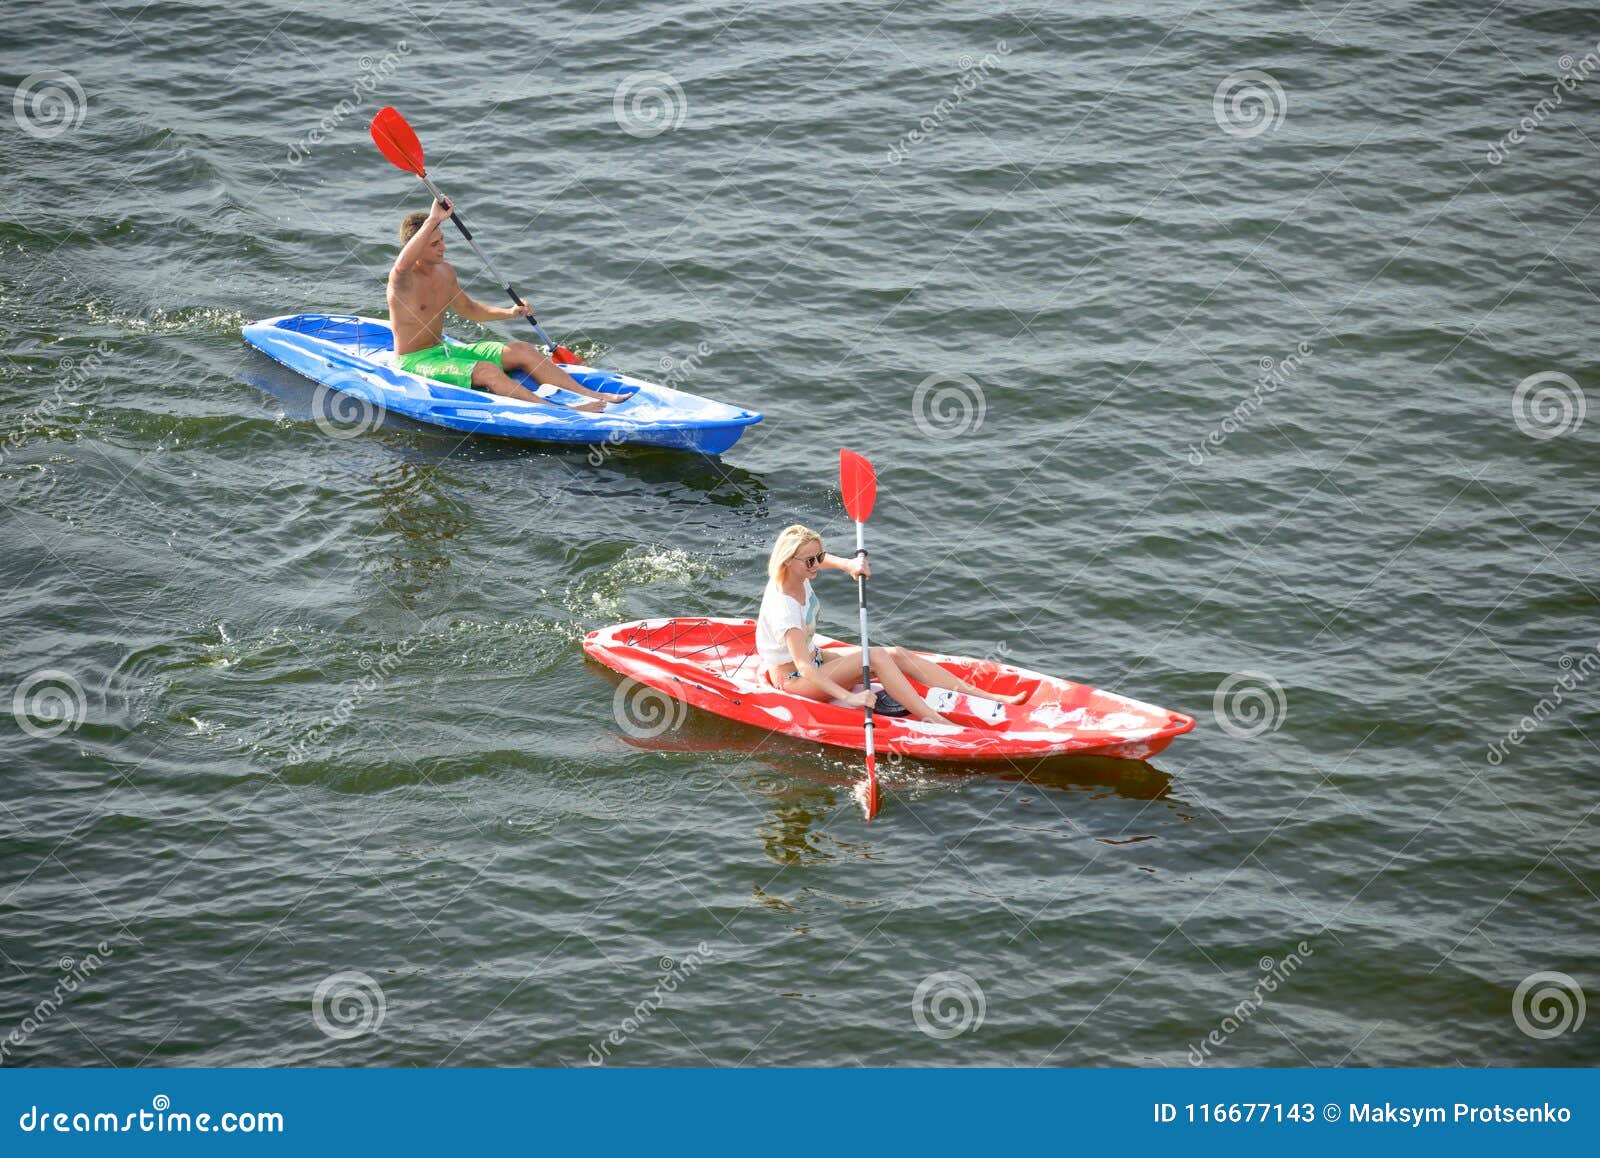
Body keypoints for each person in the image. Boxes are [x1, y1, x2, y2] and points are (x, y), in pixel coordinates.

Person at [755, 524, 1029, 725]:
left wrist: (848, 565)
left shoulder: (798, 573)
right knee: (875, 657)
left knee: (896, 654)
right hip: (797, 680)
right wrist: (850, 698)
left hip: (817, 660)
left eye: (819, 556)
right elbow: (803, 667)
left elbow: (821, 560)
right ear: (788, 561)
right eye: (810, 560)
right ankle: (933, 719)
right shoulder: (785, 609)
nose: (817, 564)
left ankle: (987, 696)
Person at [386, 197, 627, 412]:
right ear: (415, 249)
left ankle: (596, 395)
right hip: (416, 360)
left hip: (445, 351)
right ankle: (559, 410)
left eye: (442, 239)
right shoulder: (402, 281)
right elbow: (401, 265)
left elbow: (468, 309)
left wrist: (510, 313)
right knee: (487, 371)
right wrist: (433, 218)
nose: (443, 247)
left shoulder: (445, 272)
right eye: (434, 244)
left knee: (522, 349)